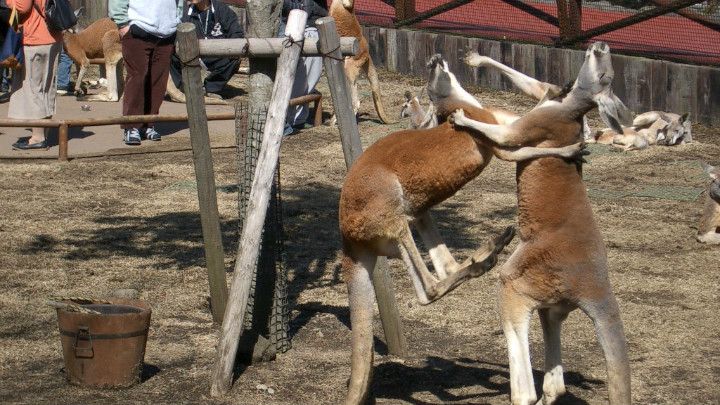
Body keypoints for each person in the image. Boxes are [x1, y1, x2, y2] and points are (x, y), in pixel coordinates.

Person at [109, 0, 182, 145]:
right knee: (137, 77)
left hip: (166, 32)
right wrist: (122, 24)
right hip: (138, 27)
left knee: (158, 81)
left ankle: (149, 123)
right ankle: (131, 126)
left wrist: (177, 20)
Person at [7, 0, 63, 150]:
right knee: (47, 87)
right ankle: (44, 132)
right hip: (53, 35)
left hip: (35, 38)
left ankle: (38, 137)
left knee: (34, 88)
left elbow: (22, 7)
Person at [169, 0, 244, 100]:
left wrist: (224, 48)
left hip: (216, 56)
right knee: (170, 52)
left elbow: (236, 33)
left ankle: (211, 89)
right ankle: (182, 88)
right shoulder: (185, 12)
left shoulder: (222, 10)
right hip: (191, 54)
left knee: (235, 58)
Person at [280, 0, 327, 136]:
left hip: (313, 23)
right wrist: (297, 7)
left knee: (310, 76)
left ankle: (297, 118)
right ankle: (290, 118)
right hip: (289, 24)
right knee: (298, 78)